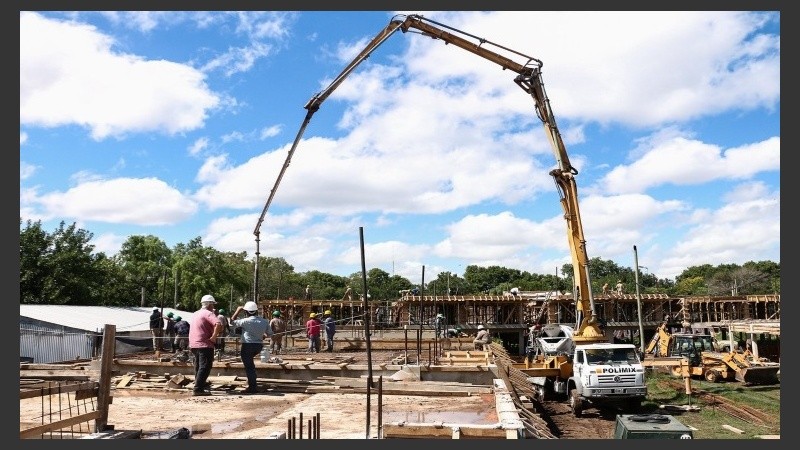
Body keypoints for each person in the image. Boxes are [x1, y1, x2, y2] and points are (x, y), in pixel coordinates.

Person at [229, 301, 272, 394]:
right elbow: (269, 334)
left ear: (246, 312)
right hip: (258, 346)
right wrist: (262, 336)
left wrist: (237, 310)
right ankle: (252, 381)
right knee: (250, 365)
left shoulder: (245, 321)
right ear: (256, 311)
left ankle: (252, 387)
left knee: (249, 367)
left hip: (248, 346)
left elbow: (231, 322)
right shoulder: (264, 321)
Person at [189, 295, 223, 396]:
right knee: (205, 366)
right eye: (213, 304)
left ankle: (199, 384)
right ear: (209, 304)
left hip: (194, 344)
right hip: (205, 344)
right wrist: (214, 336)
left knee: (198, 366)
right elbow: (218, 324)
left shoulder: (195, 313)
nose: (213, 307)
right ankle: (198, 389)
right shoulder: (208, 313)